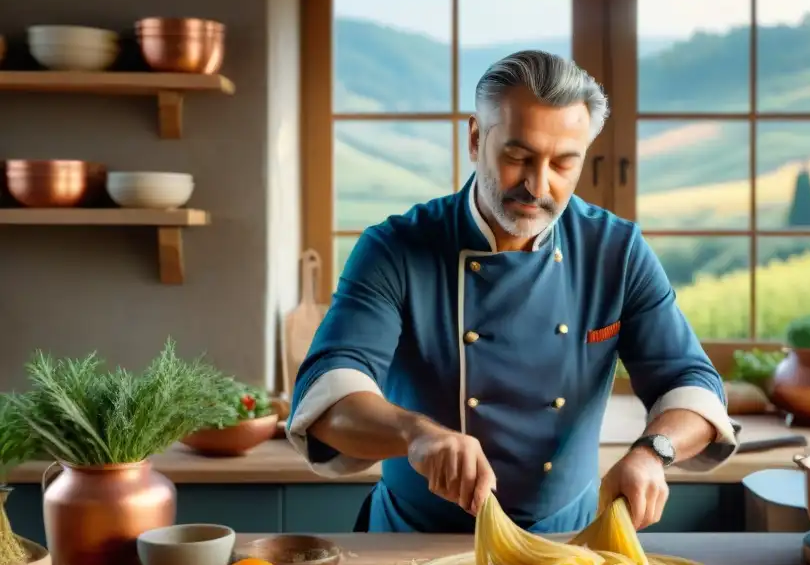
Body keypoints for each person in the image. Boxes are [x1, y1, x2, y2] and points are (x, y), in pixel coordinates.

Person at [286, 50, 737, 534]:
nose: (537, 185)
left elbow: (691, 383)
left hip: (567, 547)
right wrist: (417, 434)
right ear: (476, 138)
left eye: (564, 164)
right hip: (414, 543)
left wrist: (654, 452)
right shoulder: (395, 248)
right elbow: (329, 393)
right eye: (518, 156)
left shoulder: (616, 250)